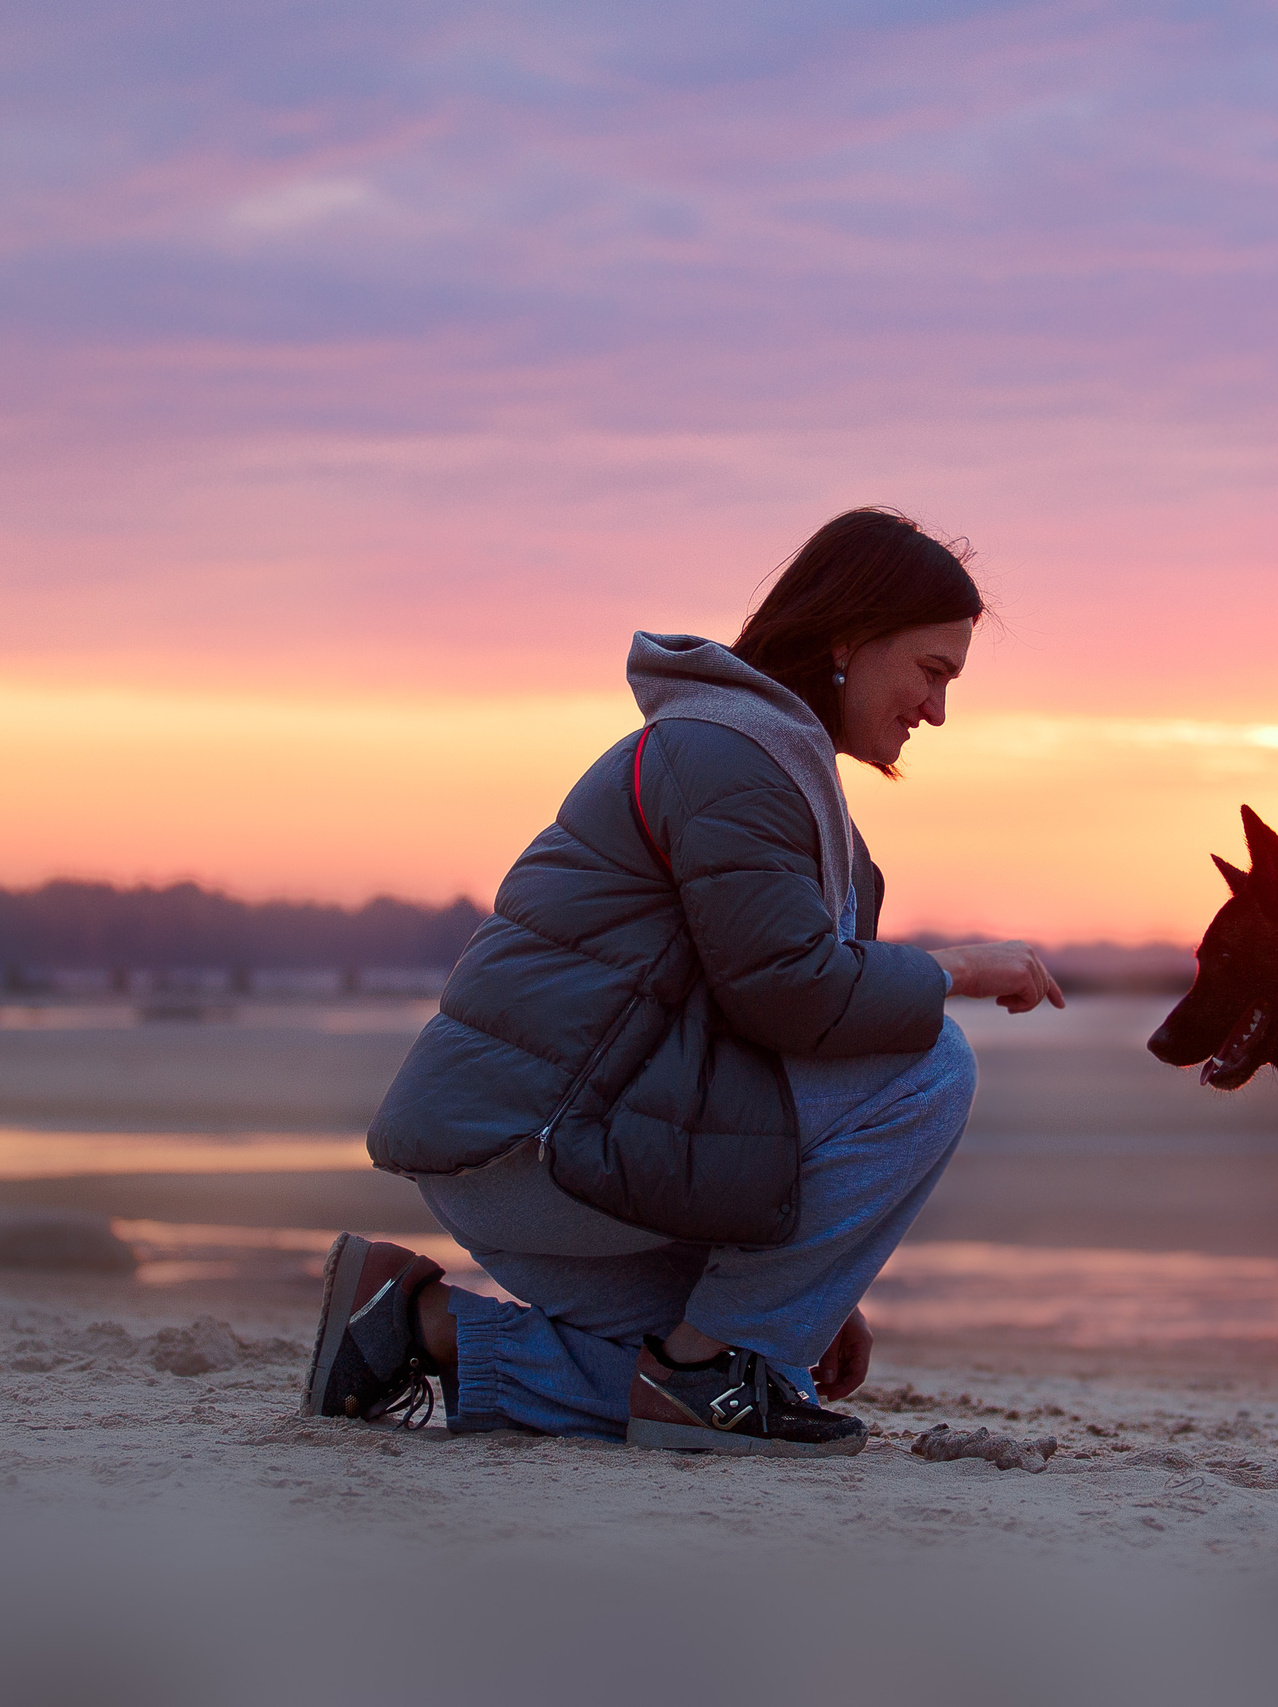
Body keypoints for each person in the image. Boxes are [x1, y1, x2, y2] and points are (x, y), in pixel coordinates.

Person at [302, 508, 1063, 1456]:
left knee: (722, 1380)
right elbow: (789, 993)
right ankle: (714, 1368)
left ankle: (414, 1323)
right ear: (850, 639)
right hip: (540, 1148)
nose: (938, 710)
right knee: (935, 1063)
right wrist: (953, 968)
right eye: (933, 671)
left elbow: (758, 1044)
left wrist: (809, 1288)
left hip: (560, 1148)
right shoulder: (728, 756)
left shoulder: (759, 765)